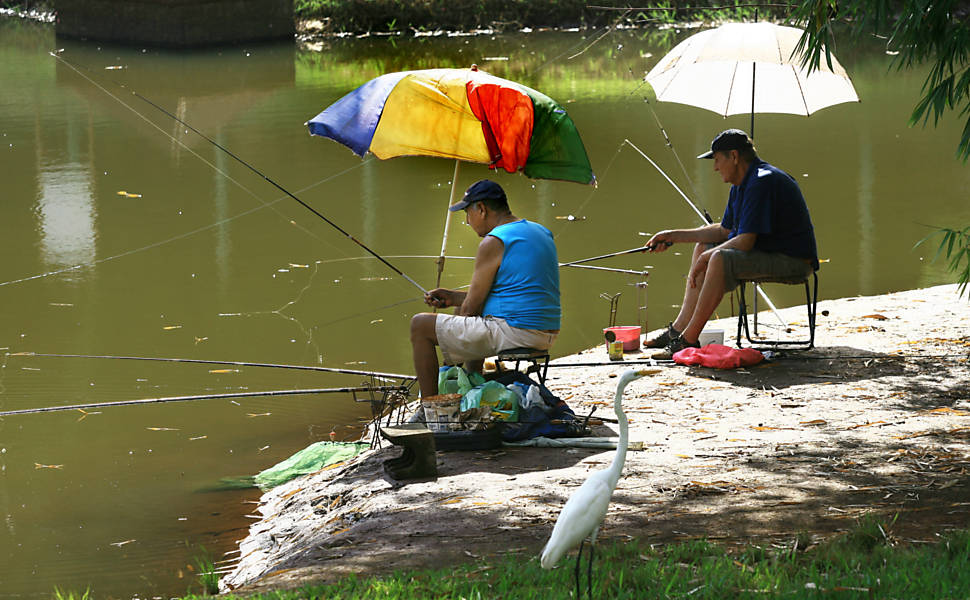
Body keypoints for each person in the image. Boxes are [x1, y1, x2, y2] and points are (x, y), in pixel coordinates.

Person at [643, 129, 818, 359]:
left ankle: (688, 341)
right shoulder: (741, 184)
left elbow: (745, 241)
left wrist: (707, 258)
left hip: (794, 261)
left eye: (717, 160)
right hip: (769, 254)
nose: (715, 168)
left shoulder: (762, 181)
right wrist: (673, 235)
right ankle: (678, 330)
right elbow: (724, 231)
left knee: (717, 256)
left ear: (733, 156)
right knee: (705, 248)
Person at [410, 179, 560, 397]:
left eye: (467, 214)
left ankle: (431, 406)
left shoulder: (493, 242)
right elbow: (512, 292)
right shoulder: (540, 232)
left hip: (518, 331)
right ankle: (473, 381)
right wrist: (453, 297)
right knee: (460, 311)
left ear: (481, 209)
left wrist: (464, 302)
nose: (468, 222)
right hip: (546, 331)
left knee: (420, 326)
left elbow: (472, 308)